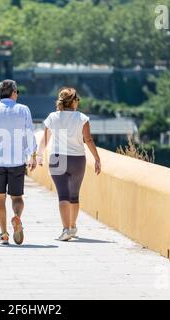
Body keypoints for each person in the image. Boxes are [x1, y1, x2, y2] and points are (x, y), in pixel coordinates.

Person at [37, 87, 101, 241]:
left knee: (63, 195)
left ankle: (66, 229)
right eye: (77, 99)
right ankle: (72, 227)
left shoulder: (53, 117)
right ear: (73, 102)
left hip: (58, 158)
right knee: (74, 195)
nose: (78, 102)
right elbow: (89, 140)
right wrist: (97, 158)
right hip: (78, 159)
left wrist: (38, 155)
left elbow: (45, 139)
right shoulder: (82, 118)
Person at [0, 80, 37, 245]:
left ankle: (4, 234)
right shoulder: (23, 110)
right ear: (13, 93)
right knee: (17, 197)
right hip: (17, 161)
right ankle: (17, 217)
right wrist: (33, 155)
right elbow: (30, 133)